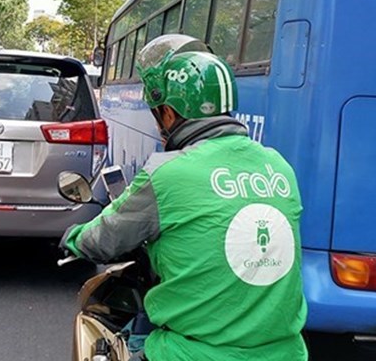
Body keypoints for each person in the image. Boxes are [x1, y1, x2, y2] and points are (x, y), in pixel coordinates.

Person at [60, 35, 307, 361]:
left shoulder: (169, 173)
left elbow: (106, 239)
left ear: (169, 115)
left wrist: (74, 239)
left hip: (192, 354)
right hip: (287, 353)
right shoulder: (279, 166)